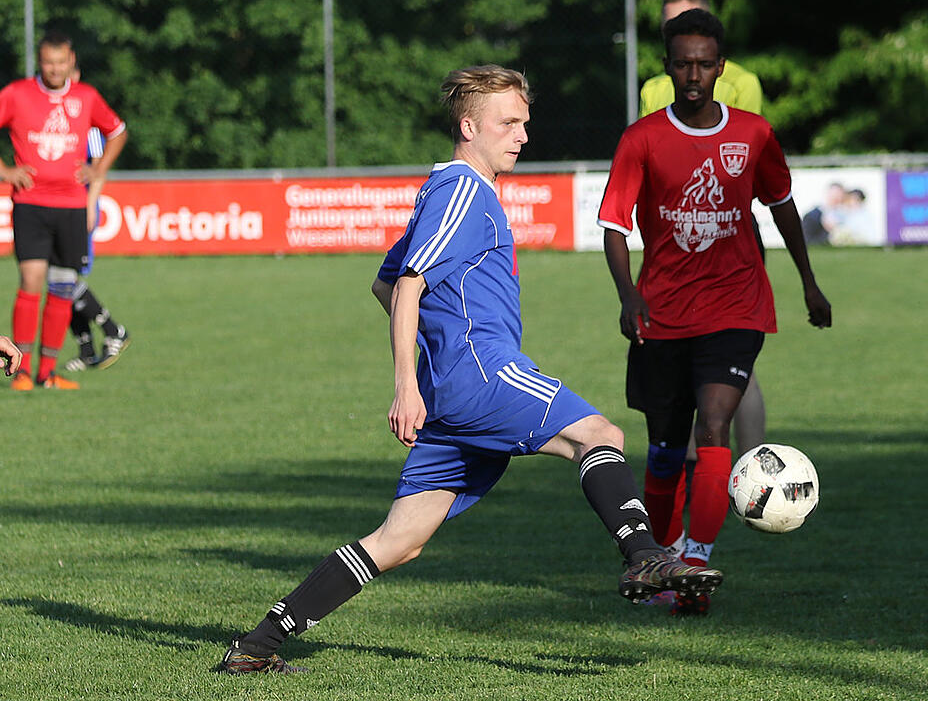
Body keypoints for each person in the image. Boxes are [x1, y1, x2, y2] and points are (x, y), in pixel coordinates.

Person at [217, 64, 723, 675]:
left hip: (453, 390)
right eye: (508, 123)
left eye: (524, 123)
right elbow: (406, 285)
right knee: (600, 436)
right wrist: (410, 381)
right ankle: (644, 553)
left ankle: (259, 644)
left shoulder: (448, 190)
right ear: (468, 125)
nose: (522, 136)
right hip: (483, 374)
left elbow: (385, 282)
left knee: (399, 541)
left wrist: (431, 360)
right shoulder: (463, 190)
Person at [599, 9, 831, 616]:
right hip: (664, 313)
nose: (694, 74)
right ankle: (659, 560)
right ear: (669, 67)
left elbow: (782, 206)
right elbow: (615, 228)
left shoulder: (753, 134)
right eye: (683, 64)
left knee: (714, 429)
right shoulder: (642, 139)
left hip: (737, 304)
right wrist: (628, 294)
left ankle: (694, 563)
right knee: (664, 450)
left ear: (720, 67)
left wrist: (809, 283)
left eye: (704, 64)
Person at [640, 0, 767, 460]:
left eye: (689, 18)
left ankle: (752, 468)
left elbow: (745, 159)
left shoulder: (744, 82)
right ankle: (695, 467)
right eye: (671, 23)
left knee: (737, 362)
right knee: (680, 364)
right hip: (673, 246)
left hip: (730, 241)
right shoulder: (652, 89)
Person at [0, 31, 127, 390]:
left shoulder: (86, 97)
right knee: (31, 281)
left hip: (71, 206)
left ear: (72, 62)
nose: (55, 69)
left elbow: (117, 131)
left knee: (62, 287)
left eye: (61, 62)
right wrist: (7, 171)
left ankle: (48, 373)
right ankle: (21, 371)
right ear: (39, 62)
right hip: (31, 204)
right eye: (48, 62)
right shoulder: (17, 94)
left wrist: (98, 170)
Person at [63, 65, 131, 372]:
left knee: (66, 279)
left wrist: (90, 206)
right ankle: (87, 350)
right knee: (59, 281)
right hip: (61, 208)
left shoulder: (87, 123)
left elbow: (97, 171)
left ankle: (114, 331)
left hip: (81, 208)